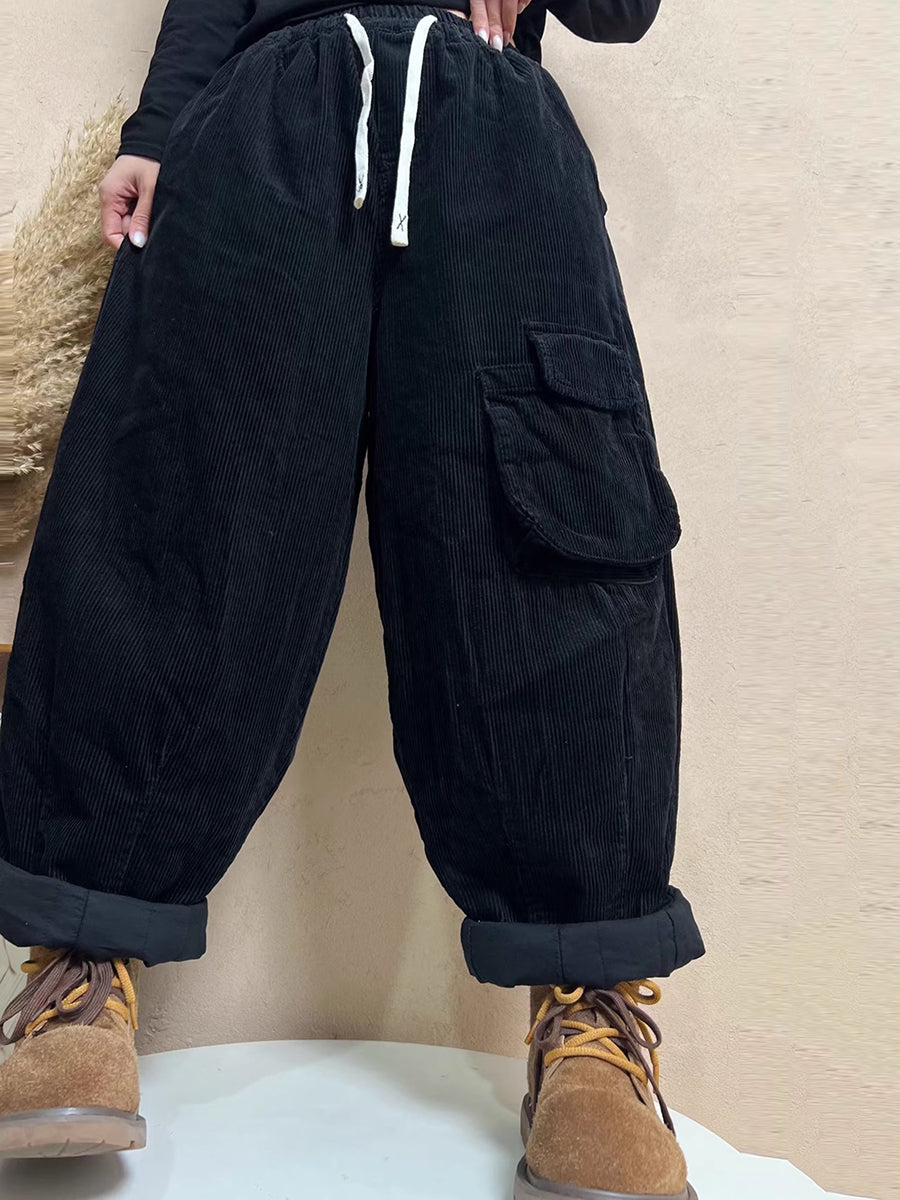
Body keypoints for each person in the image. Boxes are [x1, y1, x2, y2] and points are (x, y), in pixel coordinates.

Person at [0, 1, 704, 1195]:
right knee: (179, 501)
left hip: (492, 125)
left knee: (548, 536)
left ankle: (590, 1022)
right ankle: (81, 969)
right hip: (267, 110)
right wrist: (158, 129)